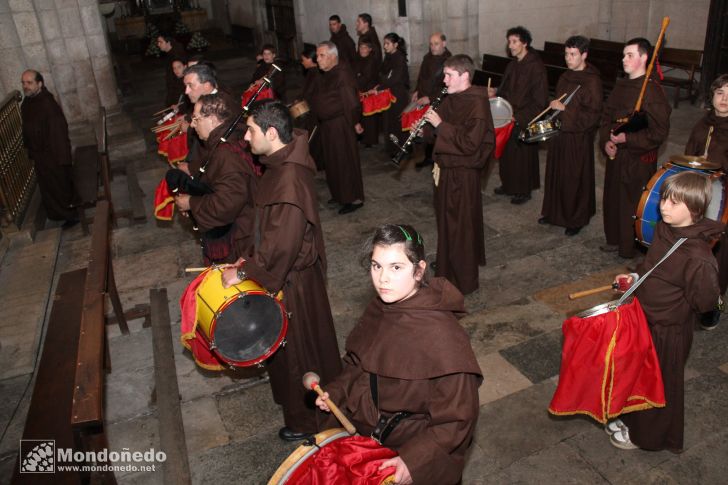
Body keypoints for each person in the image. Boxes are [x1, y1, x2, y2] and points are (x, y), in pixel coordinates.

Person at [315, 224, 482, 485]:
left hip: (414, 452)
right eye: (376, 265)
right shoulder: (381, 307)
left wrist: (413, 459)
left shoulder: (444, 339)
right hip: (370, 441)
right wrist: (337, 391)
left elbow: (457, 420)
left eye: (396, 267)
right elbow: (359, 363)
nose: (382, 279)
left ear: (419, 270)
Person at [221, 100, 341, 441]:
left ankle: (310, 424)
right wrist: (246, 258)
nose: (245, 137)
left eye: (252, 130)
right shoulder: (279, 162)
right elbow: (267, 229)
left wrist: (246, 272)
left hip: (294, 283)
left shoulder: (289, 179)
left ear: (272, 133)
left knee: (300, 351)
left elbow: (282, 247)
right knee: (291, 349)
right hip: (286, 274)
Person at [607, 171, 722, 452]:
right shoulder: (665, 228)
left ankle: (647, 435)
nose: (664, 207)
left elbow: (706, 302)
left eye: (674, 203)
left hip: (669, 329)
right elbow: (652, 267)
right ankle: (632, 419)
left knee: (659, 384)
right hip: (645, 317)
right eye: (664, 199)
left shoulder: (699, 258)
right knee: (637, 374)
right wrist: (635, 279)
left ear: (694, 209)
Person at [424, 54, 495, 295]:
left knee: (460, 223)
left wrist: (440, 126)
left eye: (449, 75)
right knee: (447, 220)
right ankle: (448, 264)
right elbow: (438, 129)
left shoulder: (476, 102)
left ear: (464, 76)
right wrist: (425, 129)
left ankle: (463, 277)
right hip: (447, 168)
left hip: (463, 173)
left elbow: (469, 143)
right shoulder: (451, 96)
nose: (444, 80)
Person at [599, 37, 671, 259]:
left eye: (629, 55)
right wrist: (606, 141)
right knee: (613, 199)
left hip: (638, 160)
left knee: (631, 204)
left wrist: (626, 140)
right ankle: (614, 239)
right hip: (617, 156)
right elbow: (606, 117)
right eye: (623, 55)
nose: (624, 59)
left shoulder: (652, 92)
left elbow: (658, 133)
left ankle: (629, 246)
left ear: (644, 58)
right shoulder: (622, 86)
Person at [173, 93, 257, 264]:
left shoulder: (226, 153)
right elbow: (214, 178)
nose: (193, 125)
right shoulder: (222, 140)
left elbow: (227, 203)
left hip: (238, 238)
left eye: (196, 119)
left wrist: (191, 203)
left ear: (212, 119)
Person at [539, 35, 603, 236]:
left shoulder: (592, 81)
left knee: (573, 177)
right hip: (560, 133)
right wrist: (554, 107)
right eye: (566, 54)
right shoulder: (565, 76)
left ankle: (575, 218)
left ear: (584, 55)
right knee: (556, 174)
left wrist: (564, 109)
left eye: (573, 54)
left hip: (577, 137)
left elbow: (593, 115)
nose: (568, 58)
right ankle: (554, 212)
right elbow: (559, 101)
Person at [685, 74, 728, 329]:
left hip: (725, 203)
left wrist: (715, 166)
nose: (725, 99)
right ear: (712, 96)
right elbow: (688, 155)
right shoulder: (703, 124)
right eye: (720, 92)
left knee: (720, 261)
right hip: (701, 195)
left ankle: (716, 305)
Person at [489, 26, 548, 205]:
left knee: (522, 157)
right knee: (507, 155)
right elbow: (506, 88)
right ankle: (508, 184)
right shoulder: (513, 64)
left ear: (525, 43)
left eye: (515, 42)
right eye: (509, 42)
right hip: (509, 116)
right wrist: (495, 92)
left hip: (524, 117)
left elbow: (540, 100)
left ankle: (523, 190)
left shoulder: (536, 67)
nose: (511, 45)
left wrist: (520, 117)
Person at [308, 41, 365, 214]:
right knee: (332, 162)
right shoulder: (328, 73)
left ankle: (352, 198)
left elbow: (352, 103)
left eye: (321, 55)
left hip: (341, 124)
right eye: (317, 56)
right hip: (328, 125)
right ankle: (339, 194)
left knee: (344, 161)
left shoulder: (342, 75)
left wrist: (355, 122)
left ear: (333, 56)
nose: (318, 59)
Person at [20, 69, 78, 228]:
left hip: (52, 155)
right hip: (40, 155)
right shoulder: (29, 102)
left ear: (40, 84)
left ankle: (71, 215)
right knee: (48, 187)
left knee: (60, 186)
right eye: (23, 83)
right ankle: (57, 213)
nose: (25, 86)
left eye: (29, 83)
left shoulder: (47, 104)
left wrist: (62, 158)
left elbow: (59, 131)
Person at [412, 32, 452, 169]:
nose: (433, 47)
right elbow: (421, 77)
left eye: (436, 44)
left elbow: (446, 86)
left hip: (439, 101)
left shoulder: (449, 61)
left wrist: (429, 98)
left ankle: (437, 159)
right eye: (431, 44)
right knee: (425, 128)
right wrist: (417, 90)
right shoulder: (427, 58)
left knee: (436, 130)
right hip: (424, 98)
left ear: (444, 44)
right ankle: (428, 157)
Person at [379, 33, 410, 157]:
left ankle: (401, 148)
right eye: (384, 43)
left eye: (387, 43)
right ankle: (392, 147)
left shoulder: (399, 58)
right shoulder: (388, 57)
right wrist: (381, 83)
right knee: (389, 122)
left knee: (397, 122)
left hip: (398, 94)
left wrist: (381, 85)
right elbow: (382, 73)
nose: (385, 46)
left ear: (395, 45)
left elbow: (394, 78)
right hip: (389, 93)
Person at [297, 45, 324, 168]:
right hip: (310, 110)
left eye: (303, 59)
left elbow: (314, 94)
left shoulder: (317, 75)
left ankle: (318, 163)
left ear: (310, 59)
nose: (302, 62)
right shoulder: (311, 73)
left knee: (315, 139)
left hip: (315, 111)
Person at [353, 40, 380, 147]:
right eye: (360, 47)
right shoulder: (357, 59)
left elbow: (367, 76)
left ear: (370, 49)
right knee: (361, 115)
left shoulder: (372, 60)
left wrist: (357, 84)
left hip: (369, 90)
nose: (362, 50)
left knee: (370, 117)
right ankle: (362, 137)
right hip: (360, 90)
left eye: (365, 48)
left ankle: (370, 140)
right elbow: (355, 74)